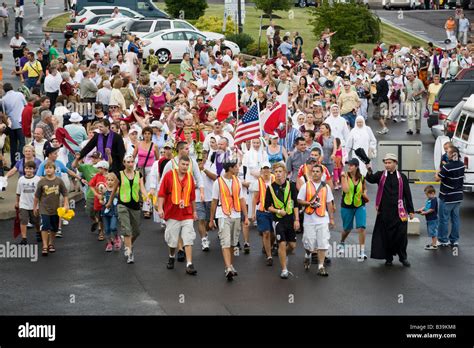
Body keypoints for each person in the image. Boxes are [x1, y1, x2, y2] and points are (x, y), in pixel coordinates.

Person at [366, 153, 414, 267]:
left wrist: (411, 211)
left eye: (389, 162)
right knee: (386, 236)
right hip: (385, 213)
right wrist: (368, 171)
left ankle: (403, 258)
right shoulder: (380, 175)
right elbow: (371, 179)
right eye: (385, 163)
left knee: (401, 236)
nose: (387, 165)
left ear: (395, 163)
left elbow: (407, 194)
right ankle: (388, 258)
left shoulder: (402, 177)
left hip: (399, 212)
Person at [156, 155, 198, 275]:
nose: (185, 167)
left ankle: (189, 264)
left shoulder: (190, 177)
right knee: (172, 240)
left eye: (187, 165)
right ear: (178, 164)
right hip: (172, 213)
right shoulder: (169, 175)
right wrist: (160, 208)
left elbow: (192, 198)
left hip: (187, 213)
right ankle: (171, 256)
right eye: (183, 164)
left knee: (188, 238)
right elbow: (162, 194)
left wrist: (194, 211)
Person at [209, 160, 248, 281]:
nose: (238, 169)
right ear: (230, 168)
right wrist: (211, 219)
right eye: (236, 167)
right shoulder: (218, 182)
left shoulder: (237, 181)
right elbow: (214, 201)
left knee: (233, 243)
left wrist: (245, 217)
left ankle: (230, 265)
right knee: (225, 242)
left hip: (236, 215)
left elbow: (241, 199)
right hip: (223, 214)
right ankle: (228, 268)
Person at [107, 155, 148, 264]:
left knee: (137, 231)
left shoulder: (138, 174)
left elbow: (142, 187)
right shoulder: (119, 175)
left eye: (132, 162)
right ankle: (129, 252)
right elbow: (114, 190)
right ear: (124, 163)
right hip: (122, 204)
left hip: (135, 205)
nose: (130, 164)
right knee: (127, 229)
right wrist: (110, 202)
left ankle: (128, 243)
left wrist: (146, 197)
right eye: (128, 162)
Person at [297, 164, 335, 276]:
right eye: (313, 171)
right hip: (309, 219)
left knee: (323, 243)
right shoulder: (306, 186)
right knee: (309, 243)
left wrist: (332, 218)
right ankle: (308, 255)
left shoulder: (325, 187)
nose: (315, 173)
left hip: (322, 219)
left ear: (322, 173)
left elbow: (329, 203)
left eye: (317, 171)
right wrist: (308, 203)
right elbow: (299, 200)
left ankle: (321, 266)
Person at [265, 163, 299, 279]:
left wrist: (297, 220)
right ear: (273, 174)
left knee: (293, 246)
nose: (278, 174)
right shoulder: (270, 188)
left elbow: (295, 204)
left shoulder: (291, 186)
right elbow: (267, 207)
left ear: (285, 173)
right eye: (276, 172)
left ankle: (283, 255)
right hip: (278, 220)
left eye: (280, 171)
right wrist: (278, 211)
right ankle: (284, 269)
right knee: (282, 244)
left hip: (290, 219)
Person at [33, 161, 69, 256]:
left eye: (50, 168)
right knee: (45, 226)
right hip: (44, 208)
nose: (48, 169)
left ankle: (51, 243)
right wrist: (35, 207)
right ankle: (45, 246)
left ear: (54, 169)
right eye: (46, 168)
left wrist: (66, 204)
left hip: (56, 209)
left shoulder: (59, 181)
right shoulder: (41, 182)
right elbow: (36, 196)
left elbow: (65, 193)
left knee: (54, 227)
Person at [338, 158, 368, 261]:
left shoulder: (362, 178)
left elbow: (365, 188)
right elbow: (346, 190)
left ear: (356, 166)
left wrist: (365, 194)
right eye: (348, 165)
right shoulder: (344, 176)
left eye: (351, 165)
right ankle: (342, 242)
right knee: (347, 229)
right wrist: (344, 177)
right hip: (347, 206)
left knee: (362, 227)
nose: (349, 167)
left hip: (359, 205)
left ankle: (362, 251)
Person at [435, 145, 464, 248]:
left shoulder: (447, 167)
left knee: (444, 219)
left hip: (446, 197)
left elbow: (437, 178)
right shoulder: (461, 165)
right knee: (455, 219)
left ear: (452, 155)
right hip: (458, 196)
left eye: (447, 153)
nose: (446, 154)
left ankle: (443, 240)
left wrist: (439, 169)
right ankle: (454, 240)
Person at [250, 162, 275, 266]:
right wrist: (253, 213)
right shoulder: (258, 182)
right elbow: (255, 198)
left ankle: (268, 245)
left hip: (274, 211)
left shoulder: (275, 179)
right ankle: (269, 256)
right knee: (266, 233)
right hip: (262, 211)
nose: (265, 171)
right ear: (261, 170)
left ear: (270, 170)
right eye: (263, 169)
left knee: (273, 234)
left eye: (267, 169)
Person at [15, 160, 41, 244]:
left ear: (34, 169)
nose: (28, 170)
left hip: (34, 205)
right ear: (24, 169)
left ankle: (38, 232)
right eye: (26, 168)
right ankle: (24, 238)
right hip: (24, 204)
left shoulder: (37, 179)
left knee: (36, 221)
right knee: (23, 220)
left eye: (30, 169)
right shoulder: (21, 180)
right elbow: (18, 192)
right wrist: (17, 202)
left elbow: (41, 192)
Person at [1, 83, 26, 167]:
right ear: (12, 87)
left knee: (13, 145)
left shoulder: (3, 99)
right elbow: (25, 105)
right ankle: (20, 161)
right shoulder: (20, 94)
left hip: (11, 124)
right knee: (22, 143)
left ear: (4, 90)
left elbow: (4, 113)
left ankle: (14, 163)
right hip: (20, 122)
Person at [88, 160, 109, 241]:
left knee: (105, 216)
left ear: (104, 168)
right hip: (98, 200)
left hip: (107, 200)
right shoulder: (97, 176)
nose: (97, 170)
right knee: (99, 216)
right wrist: (96, 194)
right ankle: (100, 228)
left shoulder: (109, 176)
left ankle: (102, 232)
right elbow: (91, 185)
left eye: (99, 168)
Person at [100, 172, 121, 252]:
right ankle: (109, 243)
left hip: (114, 211)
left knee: (113, 227)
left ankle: (116, 238)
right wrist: (101, 201)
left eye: (112, 180)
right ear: (106, 181)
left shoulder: (117, 190)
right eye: (108, 180)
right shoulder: (104, 190)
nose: (110, 182)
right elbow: (101, 199)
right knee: (107, 229)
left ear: (115, 181)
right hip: (105, 212)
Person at [416, 185, 439, 251]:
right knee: (432, 231)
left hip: (432, 219)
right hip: (429, 219)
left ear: (433, 193)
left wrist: (425, 213)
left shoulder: (434, 200)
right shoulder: (430, 199)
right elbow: (426, 206)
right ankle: (433, 243)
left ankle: (434, 245)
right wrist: (421, 209)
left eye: (427, 195)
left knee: (433, 232)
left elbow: (432, 209)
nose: (427, 196)